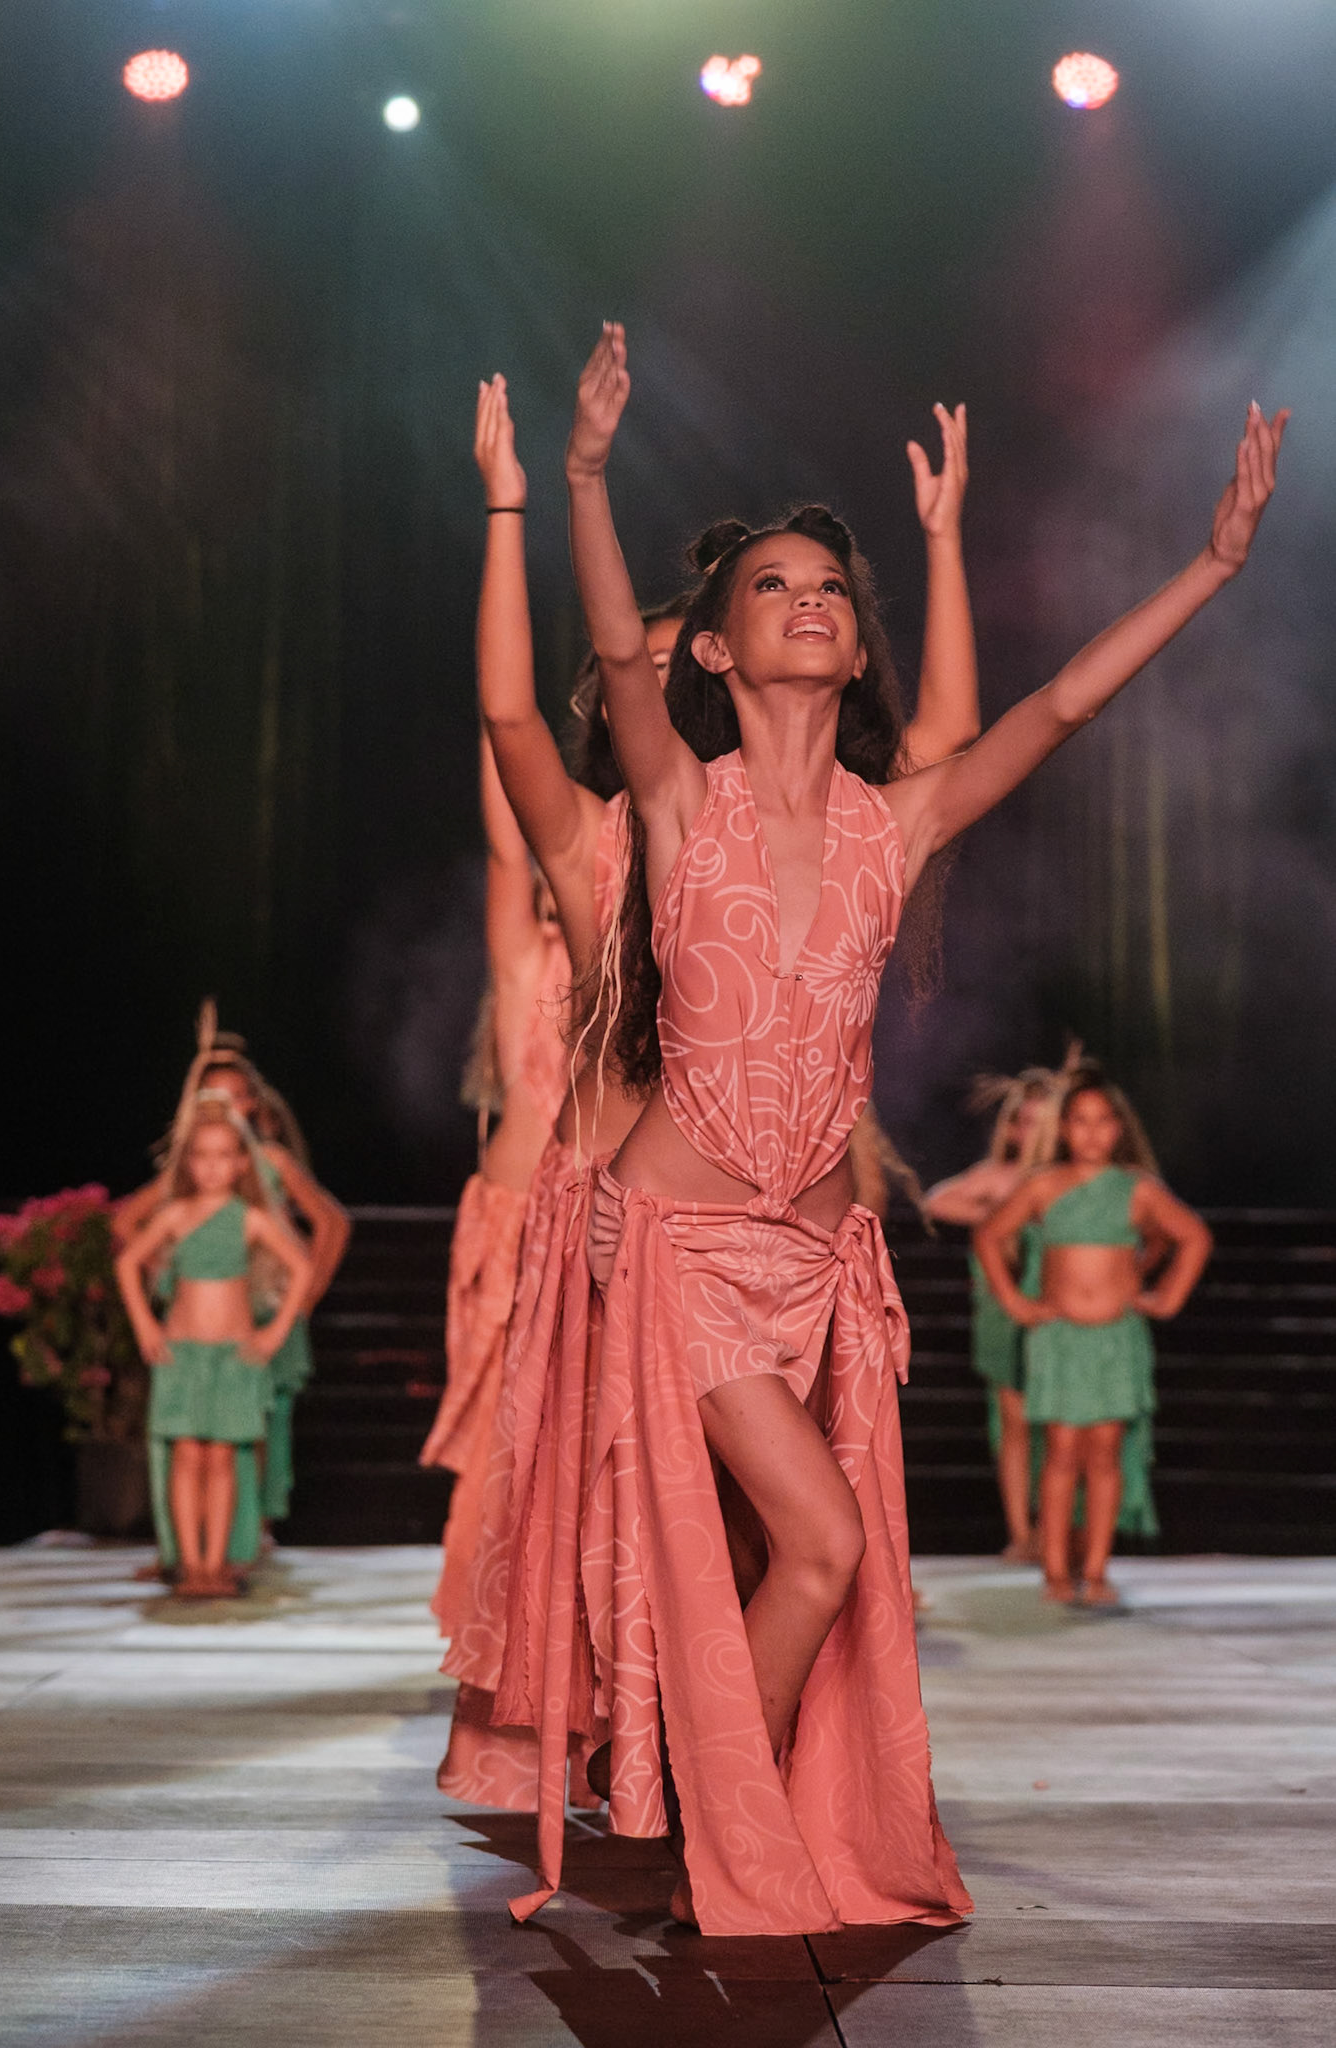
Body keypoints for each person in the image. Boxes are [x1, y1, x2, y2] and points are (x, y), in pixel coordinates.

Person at [550, 321, 1283, 1935]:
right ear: (717, 651)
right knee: (817, 1547)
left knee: (788, 1559)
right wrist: (587, 475)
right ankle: (714, 1828)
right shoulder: (678, 799)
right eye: (773, 588)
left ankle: (689, 1802)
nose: (811, 600)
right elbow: (610, 646)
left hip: (816, 1263)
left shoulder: (899, 822)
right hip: (680, 1253)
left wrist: (1214, 565)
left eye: (831, 586)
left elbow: (1063, 703)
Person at [436, 370, 982, 1832]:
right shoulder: (600, 845)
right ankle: (680, 1782)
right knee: (645, 1529)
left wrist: (941, 545)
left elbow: (945, 741)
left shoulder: (785, 832)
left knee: (761, 1538)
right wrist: (514, 505)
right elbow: (506, 711)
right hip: (640, 1243)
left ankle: (713, 1783)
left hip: (776, 1236)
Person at [420, 735, 572, 1641]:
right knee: (505, 1442)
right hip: (518, 1226)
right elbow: (508, 851)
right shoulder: (528, 965)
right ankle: (496, 1637)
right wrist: (498, 717)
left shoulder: (645, 969)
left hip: (606, 1226)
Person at [114, 1009, 350, 1569]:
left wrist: (302, 1301)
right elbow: (128, 1226)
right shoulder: (193, 1172)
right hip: (197, 1325)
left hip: (260, 1314)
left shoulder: (266, 1162)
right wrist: (168, 1279)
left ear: (255, 1105)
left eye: (236, 1096)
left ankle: (246, 1542)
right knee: (191, 1440)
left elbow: (331, 1224)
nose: (223, 1105)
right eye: (210, 1095)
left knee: (249, 1431)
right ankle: (191, 1553)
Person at [974, 1070, 1212, 1605]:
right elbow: (989, 1234)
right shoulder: (1043, 1185)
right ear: (1062, 1129)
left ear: (1119, 1129)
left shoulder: (1136, 1189)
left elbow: (1193, 1235)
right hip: (1059, 1339)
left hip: (1114, 1341)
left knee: (1105, 1454)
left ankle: (1098, 1569)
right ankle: (1056, 1569)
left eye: (1103, 1121)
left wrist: (1167, 1297)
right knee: (1060, 1452)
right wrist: (1015, 1302)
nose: (1091, 1132)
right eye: (1079, 1121)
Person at [114, 1095, 313, 1597]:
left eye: (224, 1155)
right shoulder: (177, 1215)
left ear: (242, 1162)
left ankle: (216, 1564)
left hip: (233, 1356)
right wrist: (145, 1326)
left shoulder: (250, 1218)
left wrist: (275, 1331)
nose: (212, 1166)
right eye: (202, 1155)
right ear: (187, 1162)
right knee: (186, 1458)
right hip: (182, 1355)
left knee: (223, 1460)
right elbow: (127, 1262)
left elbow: (301, 1266)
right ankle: (190, 1565)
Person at [925, 1064, 1064, 1558]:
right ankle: (1020, 1532)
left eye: (1041, 1122)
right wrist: (998, 1217)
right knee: (1013, 1420)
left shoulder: (1063, 1180)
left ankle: (1054, 1529)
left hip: (1055, 1307)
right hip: (1001, 1310)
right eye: (1022, 1121)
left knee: (1060, 1420)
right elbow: (937, 1201)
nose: (1029, 1132)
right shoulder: (999, 1177)